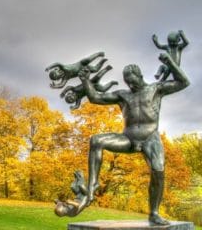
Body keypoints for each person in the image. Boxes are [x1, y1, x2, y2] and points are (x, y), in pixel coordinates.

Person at [77, 52, 190, 225]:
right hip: (128, 138)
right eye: (126, 80)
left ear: (139, 76)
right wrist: (85, 80)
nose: (129, 83)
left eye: (132, 79)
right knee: (96, 140)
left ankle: (154, 213)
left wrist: (170, 63)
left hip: (150, 137)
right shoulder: (123, 95)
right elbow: (95, 97)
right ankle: (93, 185)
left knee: (158, 171)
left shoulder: (155, 89)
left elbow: (183, 82)